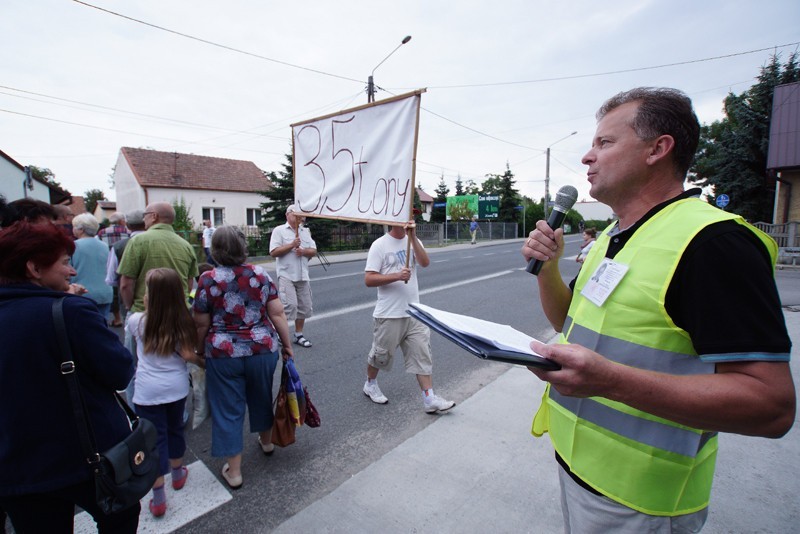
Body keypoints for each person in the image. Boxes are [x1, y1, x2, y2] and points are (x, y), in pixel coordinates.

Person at [521, 87, 795, 532]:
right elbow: (568, 322)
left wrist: (609, 381)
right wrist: (548, 271)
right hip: (579, 467)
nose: (588, 157)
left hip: (644, 500)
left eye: (604, 143)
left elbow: (771, 407)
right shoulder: (611, 236)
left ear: (658, 149)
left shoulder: (713, 244)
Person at [0, 221, 138, 533]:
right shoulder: (69, 312)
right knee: (120, 522)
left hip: (17, 469)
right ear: (34, 268)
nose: (71, 272)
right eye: (64, 263)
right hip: (87, 459)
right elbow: (120, 371)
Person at [193, 226, 294, 490]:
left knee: (228, 408)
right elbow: (277, 313)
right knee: (261, 394)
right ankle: (267, 441)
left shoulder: (207, 279)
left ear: (214, 250)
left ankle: (235, 472)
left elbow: (201, 324)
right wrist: (287, 345)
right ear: (243, 248)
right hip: (262, 349)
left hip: (223, 353)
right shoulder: (260, 274)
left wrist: (199, 350)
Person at [126, 268, 202, 517]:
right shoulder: (183, 323)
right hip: (176, 388)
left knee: (152, 440)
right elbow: (190, 355)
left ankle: (158, 498)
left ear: (150, 296)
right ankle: (178, 473)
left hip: (147, 391)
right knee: (174, 430)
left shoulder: (137, 321)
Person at [363, 221, 456, 413]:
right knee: (381, 355)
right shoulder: (379, 245)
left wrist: (413, 237)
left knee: (422, 353)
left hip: (414, 312)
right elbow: (369, 279)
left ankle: (429, 398)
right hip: (389, 313)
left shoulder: (413, 242)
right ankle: (370, 384)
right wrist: (396, 276)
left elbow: (425, 262)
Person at [118, 201, 198, 315]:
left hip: (144, 312)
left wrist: (130, 306)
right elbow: (189, 284)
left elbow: (126, 284)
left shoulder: (137, 241)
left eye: (145, 215)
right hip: (179, 312)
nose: (143, 219)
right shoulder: (186, 245)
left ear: (154, 216)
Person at [269, 204, 317, 348]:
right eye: (294, 213)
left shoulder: (305, 231)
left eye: (300, 214)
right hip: (286, 274)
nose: (298, 217)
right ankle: (278, 333)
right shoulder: (279, 231)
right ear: (287, 215)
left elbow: (313, 250)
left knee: (304, 307)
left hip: (302, 274)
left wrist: (303, 251)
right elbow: (273, 252)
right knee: (290, 305)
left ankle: (298, 334)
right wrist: (291, 245)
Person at [105, 209, 146, 327]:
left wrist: (128, 305)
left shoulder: (118, 246)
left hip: (130, 300)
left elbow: (112, 278)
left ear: (127, 225)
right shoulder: (160, 241)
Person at [71, 213, 114, 322]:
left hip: (81, 293)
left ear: (81, 229)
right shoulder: (104, 246)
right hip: (105, 292)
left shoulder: (73, 246)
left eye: (73, 227)